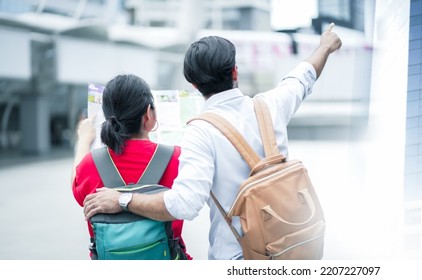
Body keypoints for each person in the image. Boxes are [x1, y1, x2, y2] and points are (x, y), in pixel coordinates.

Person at [83, 23, 342, 260]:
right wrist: (325, 46)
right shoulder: (271, 106)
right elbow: (303, 76)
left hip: (239, 256)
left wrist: (122, 200)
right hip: (295, 246)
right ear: (234, 71)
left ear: (194, 86)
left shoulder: (200, 132)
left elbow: (184, 204)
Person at [72, 74, 192, 260]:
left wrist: (83, 141)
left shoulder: (89, 164)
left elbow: (76, 185)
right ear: (148, 114)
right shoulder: (177, 158)